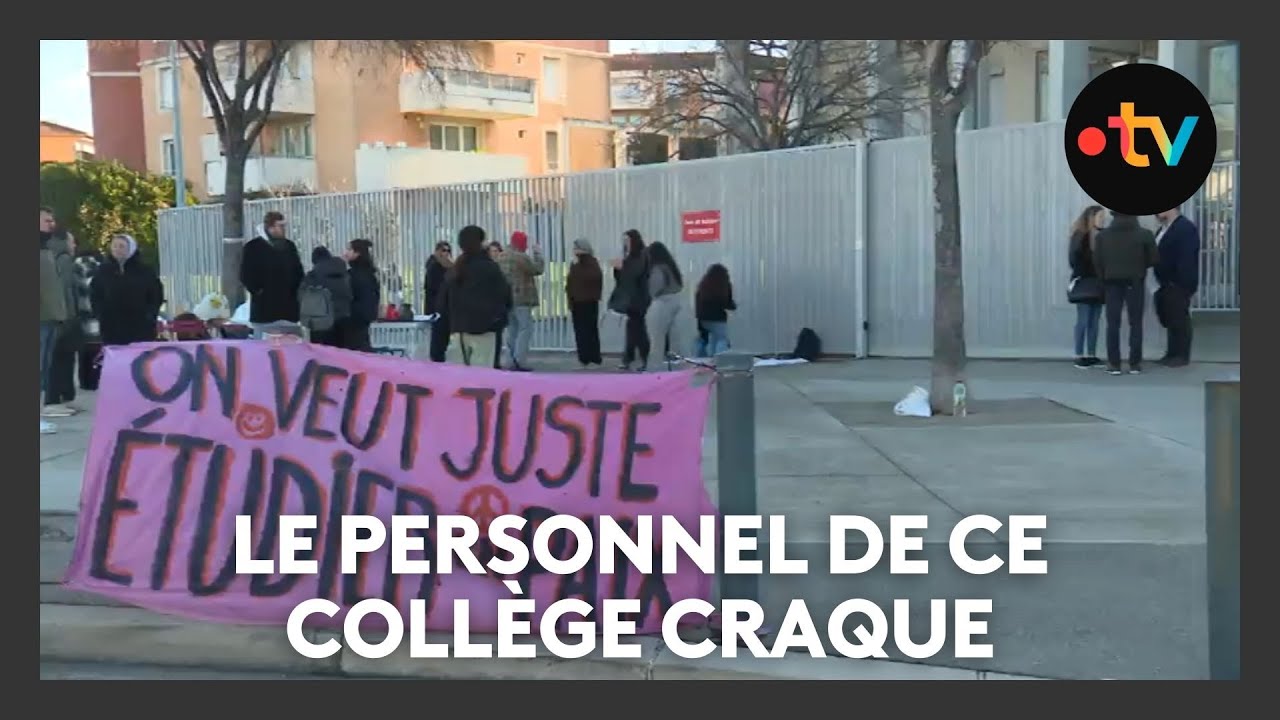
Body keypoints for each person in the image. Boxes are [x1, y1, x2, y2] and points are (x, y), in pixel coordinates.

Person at [1094, 212, 1158, 375]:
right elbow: (1153, 260)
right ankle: (1135, 363)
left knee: (1113, 324)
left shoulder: (1103, 236)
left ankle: (1114, 364)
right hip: (1135, 281)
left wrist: (1104, 277)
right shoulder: (1145, 234)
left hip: (1111, 282)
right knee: (1135, 323)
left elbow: (1097, 262)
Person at [442, 225, 512, 367]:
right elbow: (505, 297)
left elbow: (445, 300)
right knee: (482, 379)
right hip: (484, 330)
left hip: (459, 331)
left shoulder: (456, 269)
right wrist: (499, 320)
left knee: (460, 377)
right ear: (481, 242)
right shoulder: (489, 267)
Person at [91, 234, 164, 349]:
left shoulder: (145, 271)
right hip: (111, 326)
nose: (117, 250)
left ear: (131, 249)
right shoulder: (103, 271)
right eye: (114, 246)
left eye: (121, 246)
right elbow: (95, 295)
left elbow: (156, 295)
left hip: (140, 326)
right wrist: (100, 314)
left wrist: (150, 315)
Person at [240, 211, 304, 334]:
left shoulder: (289, 246)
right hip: (264, 311)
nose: (283, 229)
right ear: (270, 228)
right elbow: (246, 274)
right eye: (280, 226)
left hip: (289, 310)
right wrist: (259, 291)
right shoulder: (253, 247)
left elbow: (298, 271)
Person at [1153, 207, 1201, 367]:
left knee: (1180, 318)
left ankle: (1181, 354)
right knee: (1171, 317)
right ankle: (1172, 353)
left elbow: (1187, 258)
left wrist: (1181, 282)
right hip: (1165, 282)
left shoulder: (1185, 228)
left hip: (1178, 282)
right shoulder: (1164, 228)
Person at [44, 229, 83, 417]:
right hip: (64, 317)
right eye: (72, 241)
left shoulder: (50, 256)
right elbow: (66, 290)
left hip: (56, 315)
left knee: (58, 358)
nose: (74, 245)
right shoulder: (65, 260)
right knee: (61, 359)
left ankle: (59, 398)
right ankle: (54, 399)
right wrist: (69, 316)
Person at [495, 231, 544, 371]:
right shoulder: (520, 257)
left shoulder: (502, 256)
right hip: (522, 298)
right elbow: (537, 269)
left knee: (512, 330)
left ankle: (510, 360)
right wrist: (538, 254)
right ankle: (519, 360)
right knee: (525, 329)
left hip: (506, 299)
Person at [39, 207, 68, 435]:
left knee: (43, 369)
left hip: (49, 318)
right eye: (47, 220)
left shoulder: (46, 248)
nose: (52, 224)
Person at [1068, 205, 1107, 369]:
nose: (1103, 221)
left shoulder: (1102, 236)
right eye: (1100, 217)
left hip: (1098, 284)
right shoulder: (1081, 236)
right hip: (1086, 281)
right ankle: (1078, 355)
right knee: (1084, 320)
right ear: (1091, 218)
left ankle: (1091, 355)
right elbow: (1074, 260)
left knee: (1094, 320)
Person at [643, 241, 693, 369]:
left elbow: (654, 289)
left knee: (656, 340)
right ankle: (677, 369)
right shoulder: (671, 268)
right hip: (677, 301)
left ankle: (654, 369)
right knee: (676, 341)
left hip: (661, 302)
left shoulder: (657, 268)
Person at [608, 229, 651, 371]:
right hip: (631, 299)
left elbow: (635, 273)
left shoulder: (641, 255)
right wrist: (618, 269)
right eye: (624, 240)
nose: (625, 243)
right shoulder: (629, 255)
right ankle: (630, 358)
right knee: (633, 329)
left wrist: (622, 266)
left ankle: (642, 359)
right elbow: (622, 280)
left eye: (627, 240)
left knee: (638, 331)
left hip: (639, 299)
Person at [301, 246, 352, 347]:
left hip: (320, 322)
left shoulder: (312, 276)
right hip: (343, 320)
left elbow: (303, 297)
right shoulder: (344, 274)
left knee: (321, 355)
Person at [566, 238, 603, 368]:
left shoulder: (589, 262)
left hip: (587, 301)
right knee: (583, 331)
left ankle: (590, 358)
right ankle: (586, 357)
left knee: (587, 331)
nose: (574, 251)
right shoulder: (577, 263)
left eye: (576, 248)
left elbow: (593, 278)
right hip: (579, 301)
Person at [74, 244, 104, 392]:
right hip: (95, 314)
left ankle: (84, 380)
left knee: (83, 349)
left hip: (79, 314)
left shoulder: (73, 267)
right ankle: (94, 380)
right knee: (96, 348)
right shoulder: (99, 267)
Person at [342, 239, 380, 352]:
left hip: (353, 321)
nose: (345, 252)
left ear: (357, 253)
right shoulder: (370, 274)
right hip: (363, 320)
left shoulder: (352, 275)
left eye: (349, 249)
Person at [695, 263, 736, 357]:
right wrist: (733, 306)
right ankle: (720, 358)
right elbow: (727, 302)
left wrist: (698, 317)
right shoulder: (724, 284)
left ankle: (700, 358)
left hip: (703, 318)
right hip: (718, 318)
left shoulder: (703, 285)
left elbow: (698, 302)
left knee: (704, 340)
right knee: (721, 339)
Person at [424, 241, 453, 362]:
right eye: (443, 250)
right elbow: (434, 288)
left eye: (447, 251)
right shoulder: (434, 267)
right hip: (437, 308)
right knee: (438, 339)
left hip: (446, 308)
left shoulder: (448, 267)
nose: (445, 253)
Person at [486, 241, 505, 368]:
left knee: (498, 338)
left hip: (499, 308)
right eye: (492, 251)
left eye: (497, 251)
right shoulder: (488, 268)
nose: (495, 254)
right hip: (489, 309)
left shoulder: (502, 267)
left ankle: (496, 362)